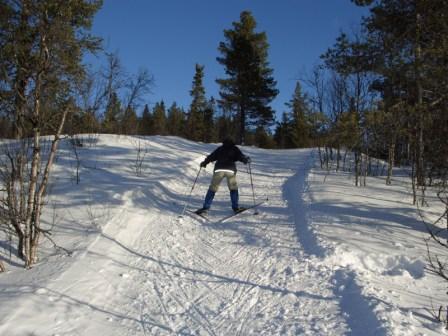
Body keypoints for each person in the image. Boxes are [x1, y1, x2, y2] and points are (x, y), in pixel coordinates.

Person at [196, 138, 250, 215]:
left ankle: (205, 208)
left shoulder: (220, 149)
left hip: (219, 170)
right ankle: (235, 208)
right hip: (230, 170)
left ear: (224, 142)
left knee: (213, 188)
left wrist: (204, 163)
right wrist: (246, 160)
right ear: (232, 142)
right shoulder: (235, 149)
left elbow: (211, 156)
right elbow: (241, 156)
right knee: (233, 188)